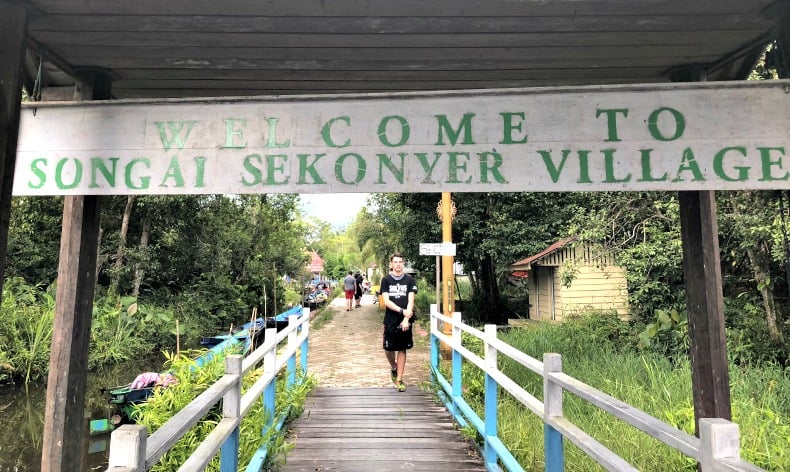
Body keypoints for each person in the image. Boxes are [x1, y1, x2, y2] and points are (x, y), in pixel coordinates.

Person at [380, 253, 418, 392]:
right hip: (391, 319)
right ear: (391, 264)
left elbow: (411, 300)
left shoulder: (409, 280)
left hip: (405, 320)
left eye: (400, 262)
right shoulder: (386, 280)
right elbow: (386, 301)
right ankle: (394, 367)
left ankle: (399, 379)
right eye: (395, 262)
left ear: (403, 263)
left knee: (402, 348)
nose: (398, 264)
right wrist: (402, 312)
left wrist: (406, 318)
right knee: (388, 348)